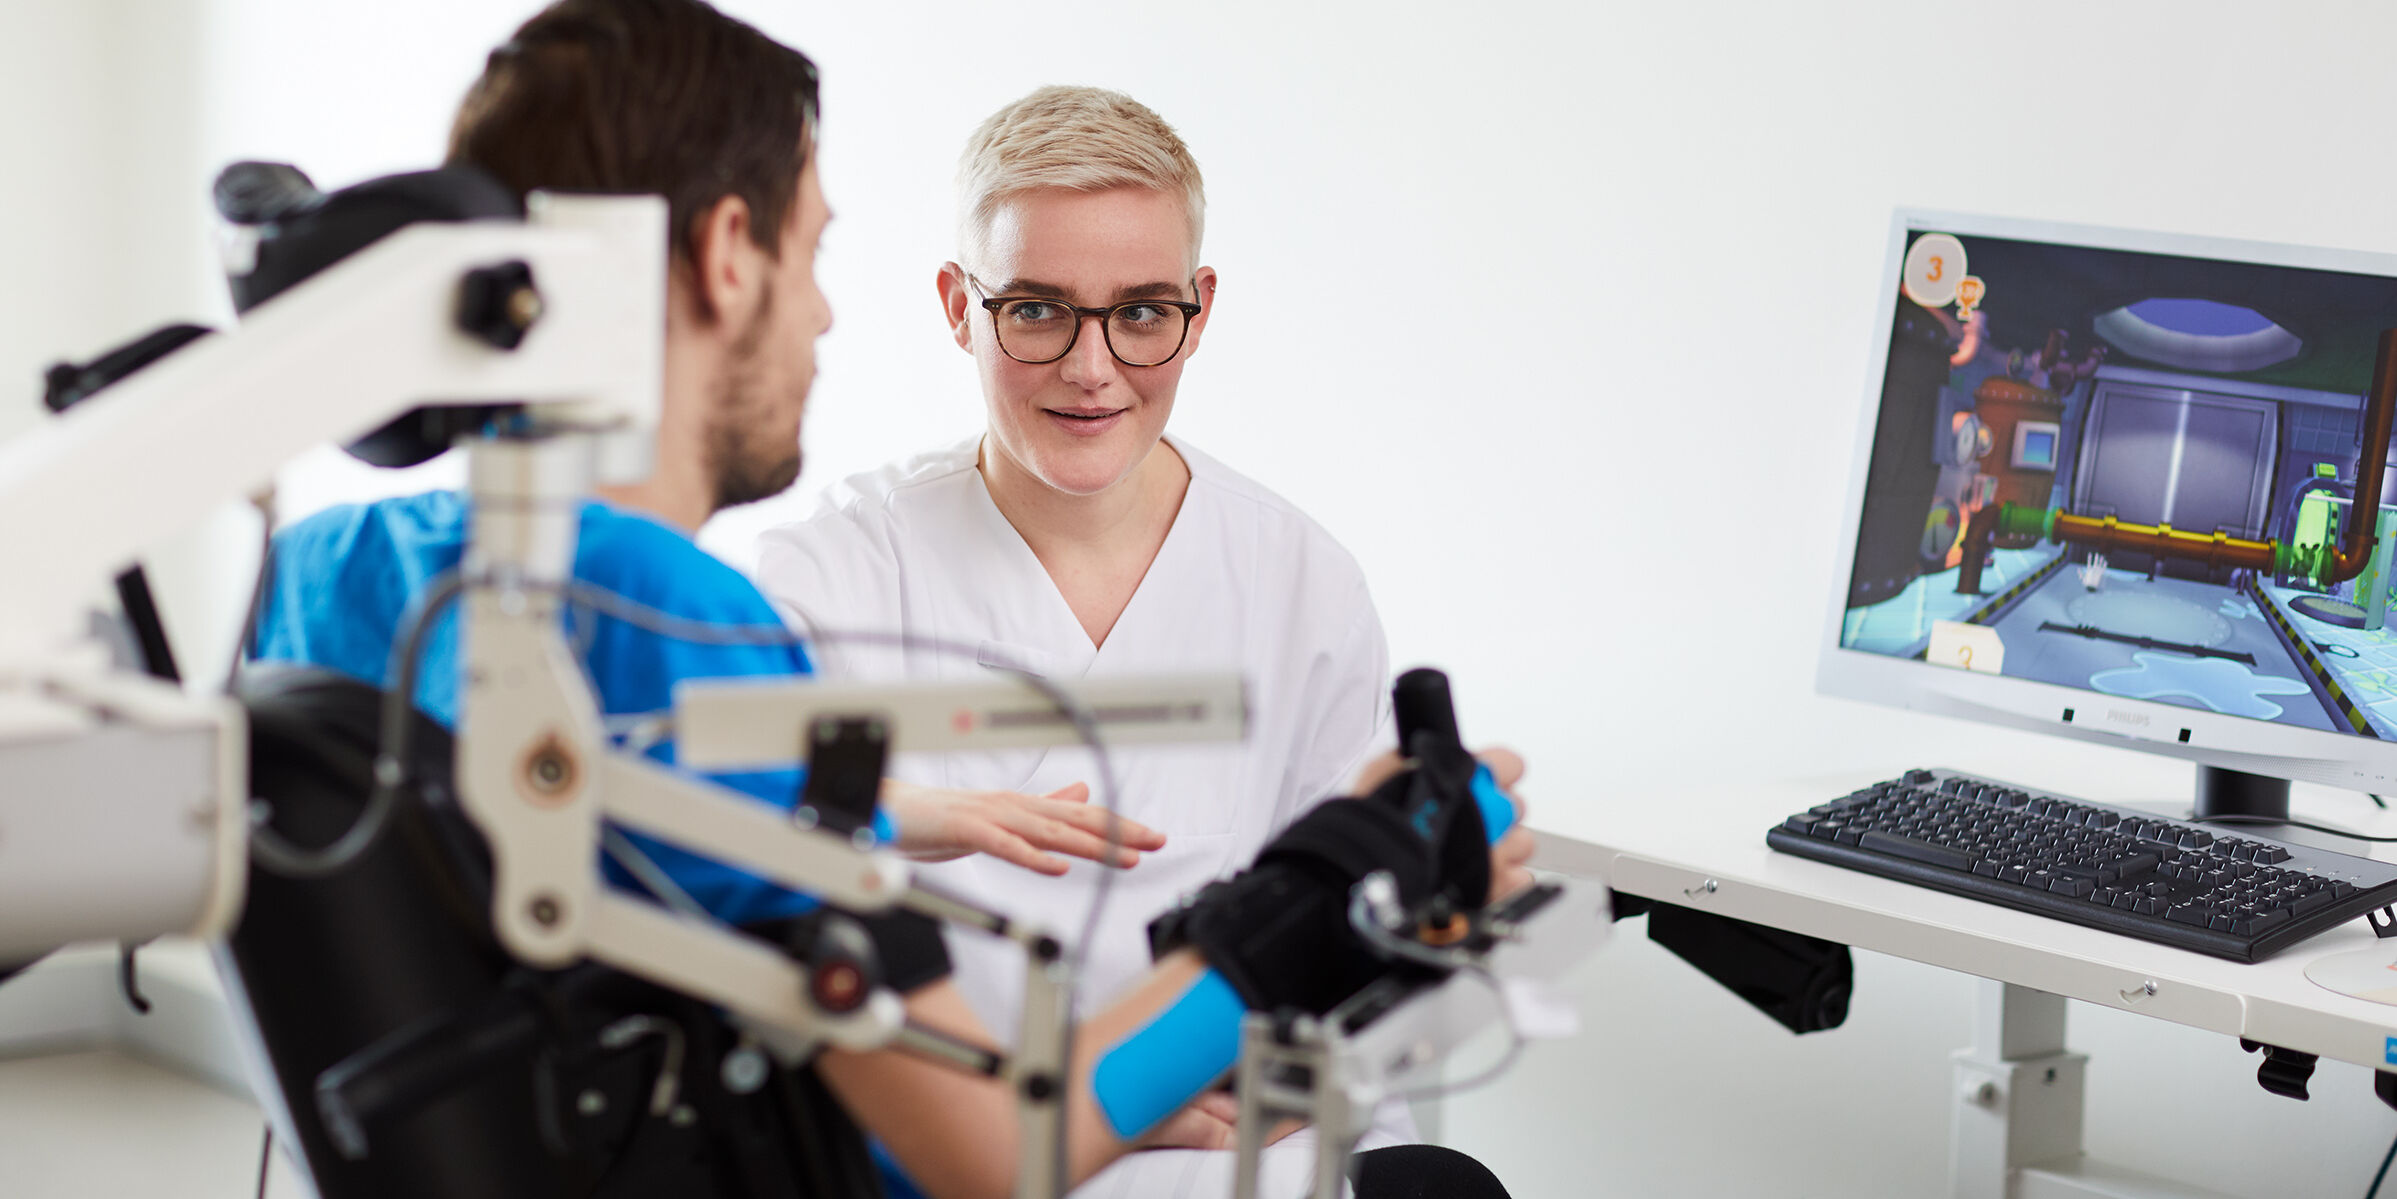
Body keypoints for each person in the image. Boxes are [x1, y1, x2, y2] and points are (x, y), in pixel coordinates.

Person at [250, 3, 1535, 1197]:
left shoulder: (320, 574)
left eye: (1140, 312)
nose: (819, 316)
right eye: (812, 252)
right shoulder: (679, 630)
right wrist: (1314, 891)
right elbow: (992, 1141)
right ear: (726, 256)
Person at [754, 87, 1428, 1195]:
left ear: (1199, 309)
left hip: (1237, 1138)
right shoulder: (835, 576)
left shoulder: (1300, 581)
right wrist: (1100, 1101)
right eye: (1036, 309)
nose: (1092, 366)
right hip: (949, 1152)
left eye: (1142, 312)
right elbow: (761, 920)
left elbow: (1342, 960)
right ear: (958, 305)